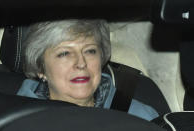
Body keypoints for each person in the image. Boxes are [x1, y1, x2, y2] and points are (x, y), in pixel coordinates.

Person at [17, 19, 159, 121]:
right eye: (64, 53)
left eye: (90, 51)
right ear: (41, 68)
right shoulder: (16, 119)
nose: (81, 63)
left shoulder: (140, 116)